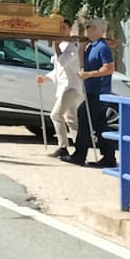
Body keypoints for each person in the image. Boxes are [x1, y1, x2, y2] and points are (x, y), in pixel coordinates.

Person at [68, 17, 117, 166]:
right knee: (100, 125)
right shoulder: (91, 46)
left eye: (90, 27)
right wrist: (82, 48)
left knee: (83, 117)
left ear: (98, 30)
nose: (87, 29)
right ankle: (109, 158)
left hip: (99, 92)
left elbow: (109, 68)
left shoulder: (102, 47)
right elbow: (84, 64)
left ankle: (79, 155)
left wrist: (90, 75)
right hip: (91, 90)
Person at [41, 30, 85, 158]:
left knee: (55, 115)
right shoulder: (61, 45)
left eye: (63, 27)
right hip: (63, 86)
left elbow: (63, 62)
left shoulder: (74, 46)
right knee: (71, 120)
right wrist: (46, 78)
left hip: (72, 86)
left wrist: (55, 45)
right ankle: (80, 149)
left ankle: (63, 147)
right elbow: (58, 70)